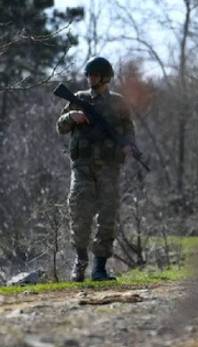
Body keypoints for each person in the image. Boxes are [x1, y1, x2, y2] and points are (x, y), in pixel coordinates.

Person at [56, 56, 136, 282]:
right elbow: (60, 127)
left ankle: (99, 268)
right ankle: (80, 262)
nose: (91, 78)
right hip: (82, 168)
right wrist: (71, 116)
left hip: (110, 169)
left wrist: (130, 146)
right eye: (89, 75)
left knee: (107, 218)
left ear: (105, 77)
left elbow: (129, 130)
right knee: (80, 215)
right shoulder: (79, 99)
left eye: (95, 75)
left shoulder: (119, 103)